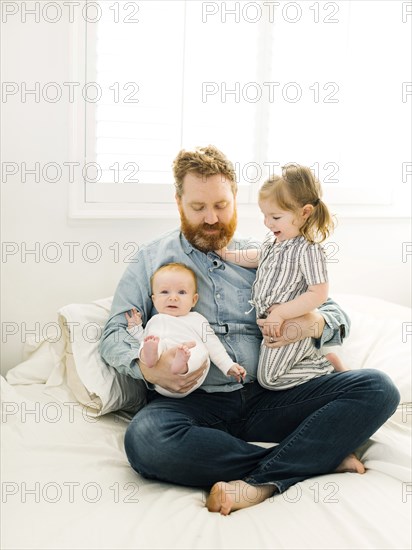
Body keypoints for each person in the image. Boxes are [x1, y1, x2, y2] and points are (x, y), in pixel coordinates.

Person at [99, 145, 400, 515]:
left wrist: (313, 323)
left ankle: (260, 481)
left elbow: (334, 313)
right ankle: (313, 457)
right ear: (178, 201)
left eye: (221, 205)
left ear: (236, 198)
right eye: (198, 207)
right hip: (193, 402)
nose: (211, 218)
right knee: (146, 442)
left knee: (377, 388)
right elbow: (115, 331)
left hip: (272, 396)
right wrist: (145, 367)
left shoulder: (269, 252)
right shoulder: (151, 258)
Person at [217, 163, 347, 391]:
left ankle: (325, 365)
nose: (268, 223)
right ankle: (312, 360)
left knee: (270, 379)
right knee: (265, 374)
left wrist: (280, 313)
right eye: (265, 215)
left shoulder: (309, 250)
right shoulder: (275, 241)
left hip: (289, 324)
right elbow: (258, 257)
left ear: (304, 212)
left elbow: (319, 293)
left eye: (275, 216)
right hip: (273, 325)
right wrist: (227, 254)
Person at [125, 262, 246, 398]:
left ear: (194, 300)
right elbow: (142, 339)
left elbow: (213, 345)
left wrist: (228, 366)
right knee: (151, 342)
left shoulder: (196, 319)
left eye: (181, 292)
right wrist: (136, 328)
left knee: (200, 350)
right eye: (165, 292)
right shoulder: (154, 321)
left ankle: (182, 365)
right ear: (154, 299)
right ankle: (149, 357)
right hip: (161, 380)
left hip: (190, 377)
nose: (173, 297)